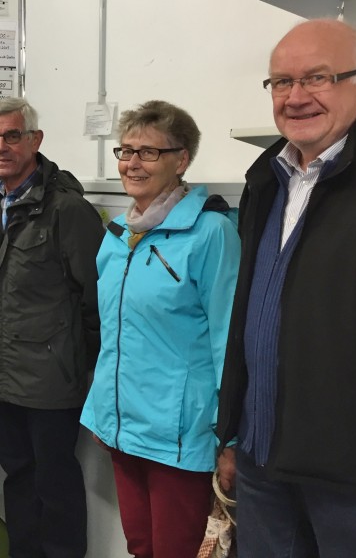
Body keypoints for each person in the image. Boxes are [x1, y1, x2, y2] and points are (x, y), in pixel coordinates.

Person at [216, 19, 356, 556]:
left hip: (352, 476)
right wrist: (233, 436)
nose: (296, 97)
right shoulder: (264, 177)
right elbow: (250, 315)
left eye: (317, 78)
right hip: (262, 459)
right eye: (281, 82)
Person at [80, 100, 240, 558]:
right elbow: (113, 334)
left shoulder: (211, 233)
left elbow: (228, 340)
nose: (132, 163)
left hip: (181, 433)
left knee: (178, 550)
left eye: (149, 152)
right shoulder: (116, 235)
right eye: (126, 150)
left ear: (181, 159)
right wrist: (102, 409)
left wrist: (228, 438)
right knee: (141, 546)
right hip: (123, 427)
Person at [0, 97, 103, 558]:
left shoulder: (67, 210)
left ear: (35, 140)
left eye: (12, 136)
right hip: (3, 371)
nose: (1, 146)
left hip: (51, 377)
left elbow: (96, 299)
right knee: (18, 478)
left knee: (55, 482)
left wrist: (77, 364)